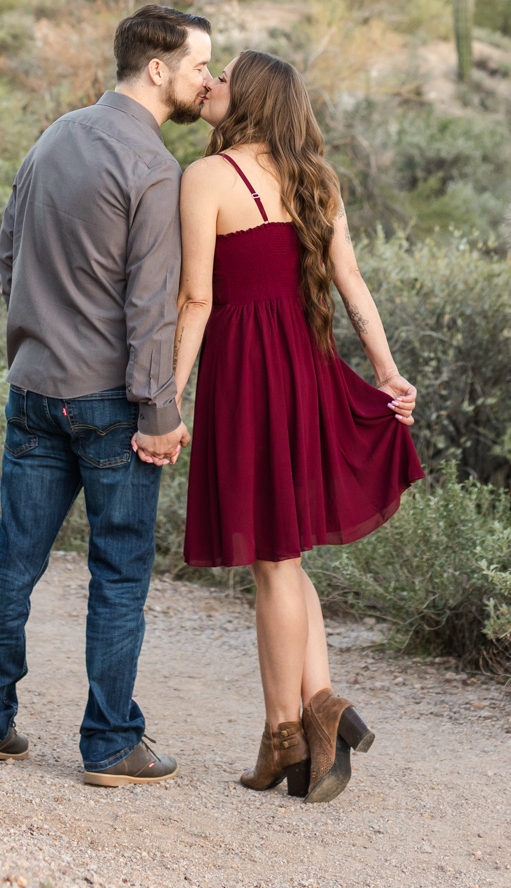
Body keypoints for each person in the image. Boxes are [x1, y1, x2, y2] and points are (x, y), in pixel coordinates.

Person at [151, 49, 421, 804]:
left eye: (223, 77)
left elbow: (195, 302)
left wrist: (166, 400)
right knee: (289, 554)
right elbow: (353, 284)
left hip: (248, 377)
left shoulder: (207, 178)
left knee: (272, 559)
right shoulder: (315, 179)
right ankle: (322, 701)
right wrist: (385, 371)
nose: (208, 84)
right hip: (305, 371)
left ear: (251, 99)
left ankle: (282, 732)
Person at [0, 4, 211, 786]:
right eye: (201, 65)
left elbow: (8, 247)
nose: (209, 79)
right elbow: (149, 307)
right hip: (109, 405)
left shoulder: (56, 134)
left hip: (34, 389)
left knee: (13, 559)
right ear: (158, 68)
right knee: (120, 573)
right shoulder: (154, 168)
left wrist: (34, 333)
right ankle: (109, 744)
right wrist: (161, 412)